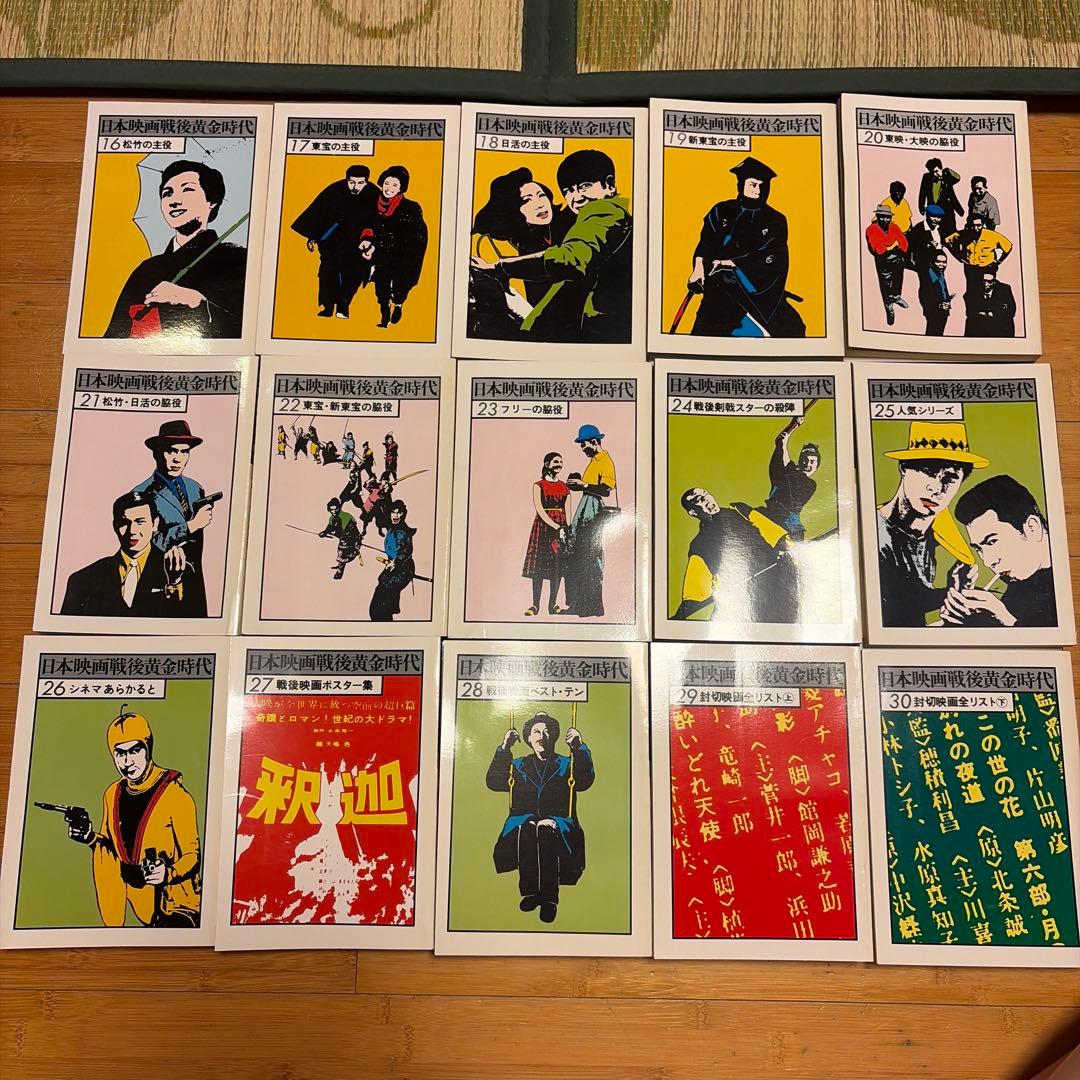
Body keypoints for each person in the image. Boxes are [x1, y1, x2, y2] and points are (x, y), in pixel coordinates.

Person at [56, 706, 201, 928]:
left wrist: (168, 873)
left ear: (148, 748)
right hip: (140, 904)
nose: (127, 761)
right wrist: (89, 837)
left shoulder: (176, 796)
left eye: (135, 750)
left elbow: (193, 856)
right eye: (120, 753)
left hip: (177, 906)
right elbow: (110, 848)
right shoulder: (112, 793)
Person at [473, 150, 633, 343]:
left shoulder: (602, 212)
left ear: (610, 185)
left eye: (585, 186)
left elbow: (569, 259)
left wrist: (500, 267)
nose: (576, 197)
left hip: (591, 333)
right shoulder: (520, 241)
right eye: (568, 191)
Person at [105, 159, 247, 340]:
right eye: (167, 194)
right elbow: (113, 338)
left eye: (187, 190)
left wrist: (197, 301)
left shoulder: (236, 259)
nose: (174, 201)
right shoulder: (147, 269)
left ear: (211, 201)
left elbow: (246, 329)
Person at [876, 420, 988, 628]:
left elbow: (910, 609)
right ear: (903, 467)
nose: (936, 488)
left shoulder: (936, 534)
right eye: (927, 470)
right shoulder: (872, 536)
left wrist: (955, 593)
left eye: (950, 478)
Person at [485, 712, 593, 924]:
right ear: (528, 738)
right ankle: (531, 892)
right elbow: (494, 782)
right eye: (536, 732)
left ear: (554, 736)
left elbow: (585, 781)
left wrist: (579, 746)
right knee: (529, 825)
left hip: (560, 824)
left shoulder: (566, 764)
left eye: (546, 732)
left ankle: (549, 899)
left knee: (544, 827)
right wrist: (505, 747)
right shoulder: (518, 765)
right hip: (523, 823)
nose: (541, 736)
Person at [687, 156, 805, 338]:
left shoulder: (775, 219)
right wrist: (698, 269)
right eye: (753, 184)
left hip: (759, 289)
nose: (758, 190)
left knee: (793, 327)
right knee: (707, 332)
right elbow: (706, 243)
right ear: (740, 184)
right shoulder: (721, 210)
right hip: (720, 286)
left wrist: (731, 263)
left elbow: (773, 256)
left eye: (763, 186)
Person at [672, 487, 800, 624]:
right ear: (692, 512)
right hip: (750, 599)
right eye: (700, 500)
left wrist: (789, 553)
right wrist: (677, 618)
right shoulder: (699, 545)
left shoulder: (740, 510)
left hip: (780, 580)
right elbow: (695, 593)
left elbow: (775, 534)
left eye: (706, 494)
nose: (707, 499)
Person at [467, 167, 568, 338]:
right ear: (512, 208)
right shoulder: (493, 245)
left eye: (541, 195)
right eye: (527, 200)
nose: (540, 204)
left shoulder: (565, 228)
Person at [943, 474, 1056, 627]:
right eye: (979, 549)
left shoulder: (1065, 582)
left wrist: (1004, 619)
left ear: (1032, 528)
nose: (988, 562)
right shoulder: (1019, 588)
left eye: (992, 542)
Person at [60, 491, 191, 617]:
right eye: (124, 523)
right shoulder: (82, 580)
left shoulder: (183, 572)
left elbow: (192, 623)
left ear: (154, 524)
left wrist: (174, 583)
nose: (132, 531)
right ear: (115, 526)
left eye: (140, 522)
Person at [133, 419, 213, 617]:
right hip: (160, 583)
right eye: (171, 451)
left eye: (184, 452)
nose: (178, 459)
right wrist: (192, 525)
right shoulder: (142, 493)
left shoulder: (195, 488)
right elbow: (143, 543)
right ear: (156, 453)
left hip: (195, 582)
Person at [290, 164, 378, 319]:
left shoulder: (374, 194)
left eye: (360, 183)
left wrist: (370, 241)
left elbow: (378, 222)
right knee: (328, 272)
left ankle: (343, 305)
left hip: (358, 242)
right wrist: (313, 236)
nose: (355, 187)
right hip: (332, 239)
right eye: (351, 182)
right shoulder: (335, 190)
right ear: (347, 180)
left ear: (366, 182)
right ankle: (328, 306)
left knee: (353, 274)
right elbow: (318, 213)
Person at [358, 165, 427, 329]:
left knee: (399, 287)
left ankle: (398, 304)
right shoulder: (372, 204)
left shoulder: (411, 207)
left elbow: (417, 235)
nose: (389, 188)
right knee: (381, 287)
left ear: (401, 188)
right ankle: (384, 315)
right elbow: (367, 224)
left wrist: (408, 254)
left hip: (402, 256)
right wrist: (367, 240)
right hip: (381, 255)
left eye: (395, 185)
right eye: (387, 183)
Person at [564, 424, 616, 618]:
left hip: (593, 510)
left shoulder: (605, 460)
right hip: (585, 508)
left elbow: (606, 490)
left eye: (584, 444)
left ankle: (592, 607)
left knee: (591, 558)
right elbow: (589, 487)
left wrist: (584, 485)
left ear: (594, 442)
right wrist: (579, 485)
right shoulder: (594, 461)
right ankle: (579, 605)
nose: (582, 448)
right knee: (579, 556)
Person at [522, 452, 570, 617]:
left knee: (557, 567)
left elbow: (568, 511)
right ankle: (535, 605)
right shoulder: (538, 485)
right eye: (556, 462)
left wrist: (565, 529)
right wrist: (556, 526)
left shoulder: (565, 487)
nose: (559, 465)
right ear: (547, 464)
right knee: (539, 568)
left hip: (560, 530)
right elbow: (540, 510)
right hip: (543, 528)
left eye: (561, 462)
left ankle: (553, 605)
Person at [757, 419, 819, 542]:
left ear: (817, 466)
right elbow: (780, 442)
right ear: (800, 462)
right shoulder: (786, 474)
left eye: (812, 461)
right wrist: (793, 426)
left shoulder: (810, 484)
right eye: (805, 460)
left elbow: (789, 467)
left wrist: (784, 442)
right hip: (771, 513)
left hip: (790, 525)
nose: (808, 464)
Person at [946, 210, 1013, 298]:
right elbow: (948, 241)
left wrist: (999, 261)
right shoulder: (964, 234)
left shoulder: (992, 235)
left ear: (983, 225)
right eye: (973, 225)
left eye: (978, 225)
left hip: (987, 268)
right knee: (972, 292)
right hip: (971, 269)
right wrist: (959, 257)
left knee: (987, 291)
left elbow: (1008, 246)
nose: (975, 228)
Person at [369, 500, 416, 620]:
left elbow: (404, 552)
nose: (396, 515)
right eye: (393, 512)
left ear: (403, 514)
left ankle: (387, 613)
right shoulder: (392, 527)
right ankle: (390, 608)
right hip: (395, 565)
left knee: (382, 598)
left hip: (403, 568)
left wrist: (394, 562)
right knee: (383, 583)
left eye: (399, 513)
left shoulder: (401, 531)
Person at [865, 204, 909, 325]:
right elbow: (879, 250)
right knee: (886, 284)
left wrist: (891, 247)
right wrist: (893, 246)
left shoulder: (894, 227)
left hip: (897, 260)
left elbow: (904, 244)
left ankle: (896, 297)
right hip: (883, 262)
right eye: (882, 216)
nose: (885, 219)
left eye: (888, 217)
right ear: (877, 216)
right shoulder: (871, 229)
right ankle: (889, 308)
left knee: (898, 279)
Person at [964, 266, 1017, 338]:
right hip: (979, 331)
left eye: (989, 282)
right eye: (984, 281)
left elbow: (1011, 310)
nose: (986, 284)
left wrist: (993, 314)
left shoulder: (1005, 289)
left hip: (999, 331)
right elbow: (969, 311)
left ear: (994, 282)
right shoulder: (974, 290)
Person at [918, 158, 964, 238]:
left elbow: (958, 178)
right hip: (932, 211)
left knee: (950, 233)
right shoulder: (926, 177)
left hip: (947, 210)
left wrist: (947, 170)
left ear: (941, 168)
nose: (935, 174)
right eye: (932, 172)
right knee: (933, 233)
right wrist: (921, 207)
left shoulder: (947, 176)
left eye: (936, 171)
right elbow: (922, 193)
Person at [319, 497, 362, 580]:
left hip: (351, 537)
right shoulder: (332, 518)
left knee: (342, 553)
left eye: (336, 509)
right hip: (343, 538)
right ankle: (341, 564)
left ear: (339, 508)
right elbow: (330, 527)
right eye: (332, 510)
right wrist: (325, 532)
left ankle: (340, 571)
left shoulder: (346, 517)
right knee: (341, 552)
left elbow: (353, 531)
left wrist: (357, 541)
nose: (334, 511)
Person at [917, 250, 955, 336]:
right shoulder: (927, 277)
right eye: (938, 262)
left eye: (944, 262)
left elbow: (941, 291)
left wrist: (948, 299)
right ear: (932, 263)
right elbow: (923, 297)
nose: (942, 265)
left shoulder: (941, 275)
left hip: (943, 313)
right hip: (934, 313)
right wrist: (940, 305)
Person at [905, 204, 949, 277]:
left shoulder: (940, 228)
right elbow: (910, 246)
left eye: (939, 217)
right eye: (933, 216)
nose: (936, 219)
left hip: (937, 266)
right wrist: (928, 245)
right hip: (923, 265)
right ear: (927, 215)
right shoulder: (918, 229)